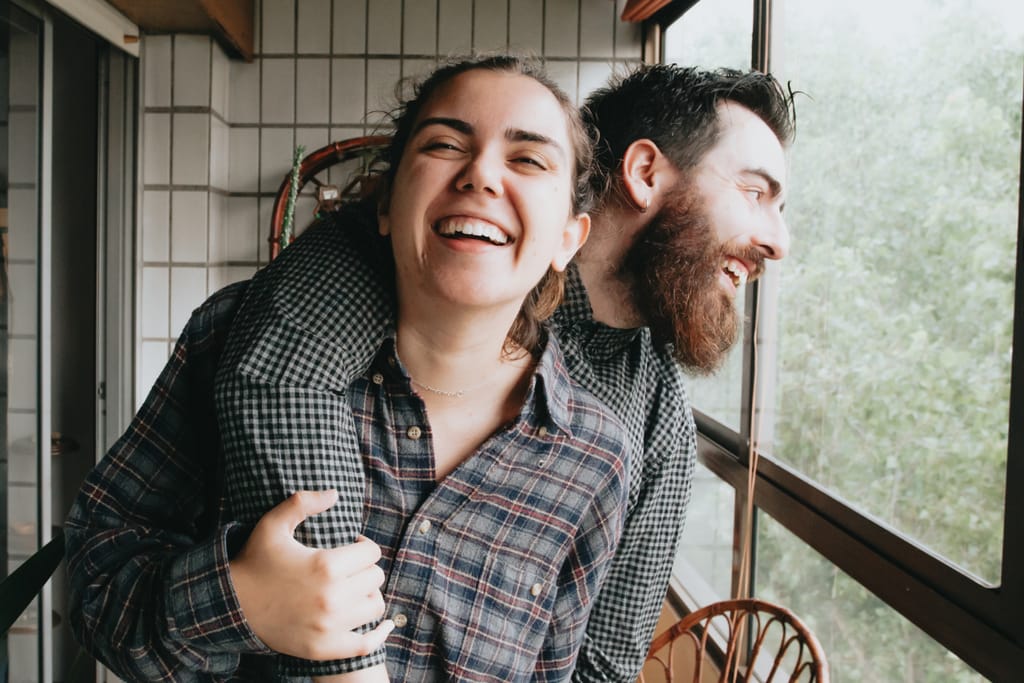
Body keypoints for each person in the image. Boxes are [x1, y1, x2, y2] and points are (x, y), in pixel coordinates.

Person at [66, 61, 796, 682]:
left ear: (567, 234)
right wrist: (239, 601)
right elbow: (101, 572)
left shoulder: (635, 429)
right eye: (755, 191)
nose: (778, 241)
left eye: (529, 160)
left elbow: (598, 664)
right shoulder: (293, 315)